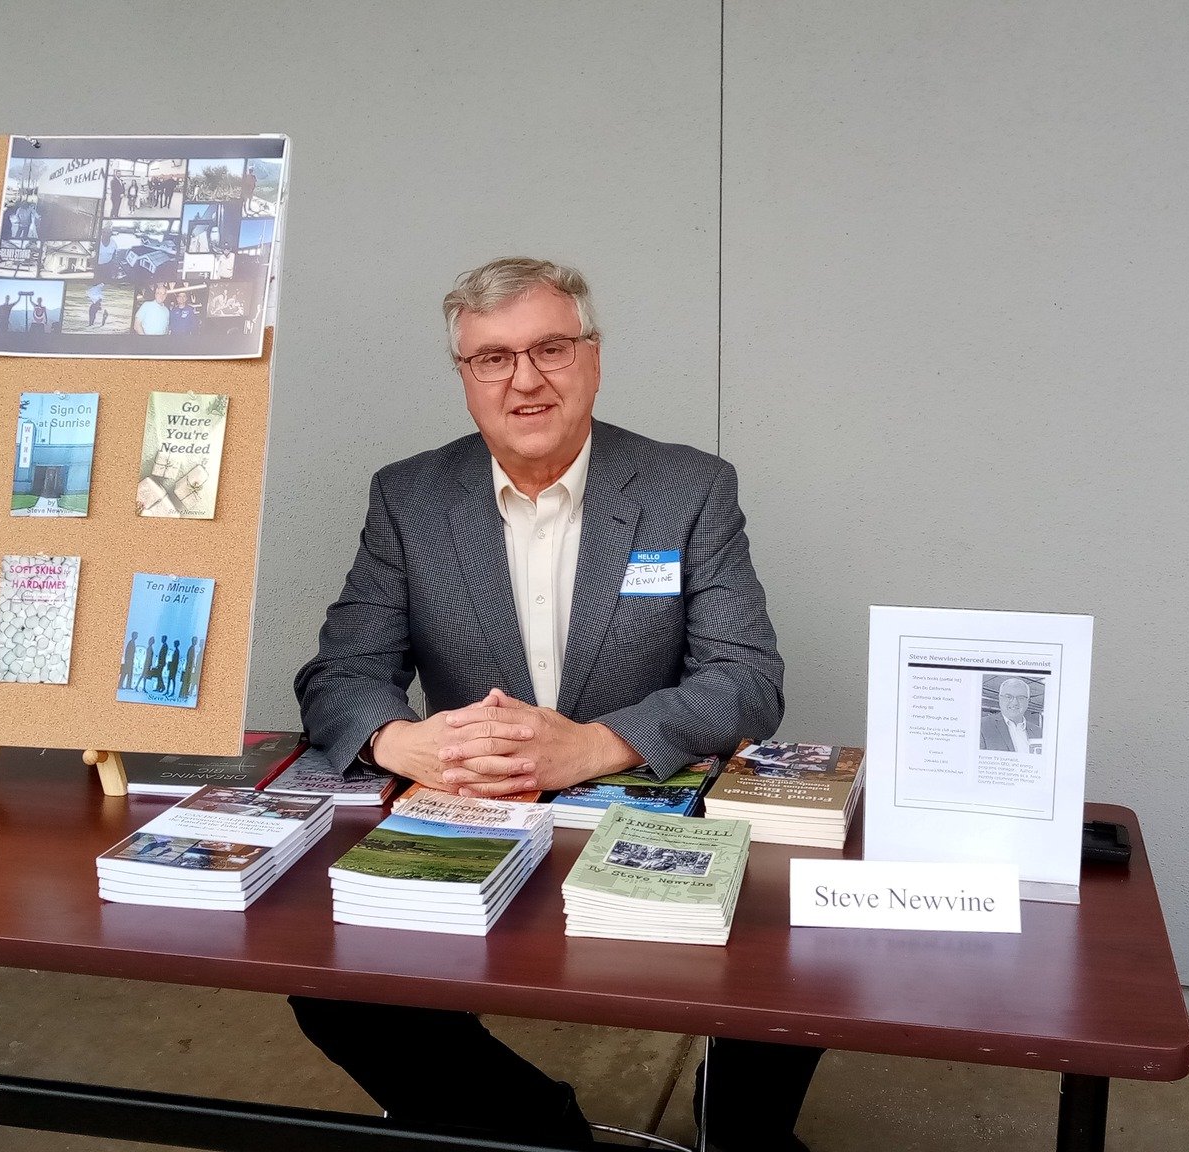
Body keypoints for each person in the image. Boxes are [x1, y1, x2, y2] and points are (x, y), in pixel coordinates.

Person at [290, 257, 820, 1152]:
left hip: (650, 806)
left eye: (550, 348)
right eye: (493, 358)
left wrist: (598, 746)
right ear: (466, 376)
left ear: (593, 358)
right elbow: (339, 674)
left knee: (795, 954)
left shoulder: (687, 490)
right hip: (478, 809)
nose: (525, 379)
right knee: (331, 981)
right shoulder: (410, 497)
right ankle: (528, 1128)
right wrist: (402, 739)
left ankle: (737, 1132)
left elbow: (747, 679)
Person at [980, 677, 1042, 753]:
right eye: (1008, 697)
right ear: (1000, 699)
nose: (1014, 702)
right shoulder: (982, 726)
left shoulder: (1038, 731)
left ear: (1028, 702)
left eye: (1021, 698)